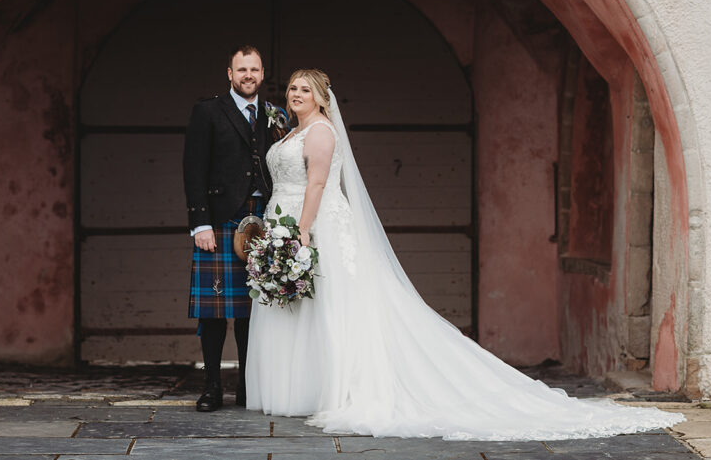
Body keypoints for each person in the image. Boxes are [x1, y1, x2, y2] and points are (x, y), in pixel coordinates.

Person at [246, 69, 685, 440]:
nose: (295, 94)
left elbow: (319, 185)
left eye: (304, 89)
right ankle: (298, 388)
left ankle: (338, 388)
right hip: (284, 222)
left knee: (333, 308)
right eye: (291, 89)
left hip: (315, 225)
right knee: (301, 307)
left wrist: (301, 232)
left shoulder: (321, 132)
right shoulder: (294, 131)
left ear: (321, 98)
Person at [183, 46, 286, 412]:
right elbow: (193, 168)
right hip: (221, 220)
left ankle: (246, 388)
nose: (248, 75)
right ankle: (212, 387)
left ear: (262, 73)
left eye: (254, 69)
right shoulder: (208, 111)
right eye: (241, 69)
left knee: (251, 310)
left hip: (264, 220)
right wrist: (200, 223)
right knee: (213, 311)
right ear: (229, 73)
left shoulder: (276, 114)